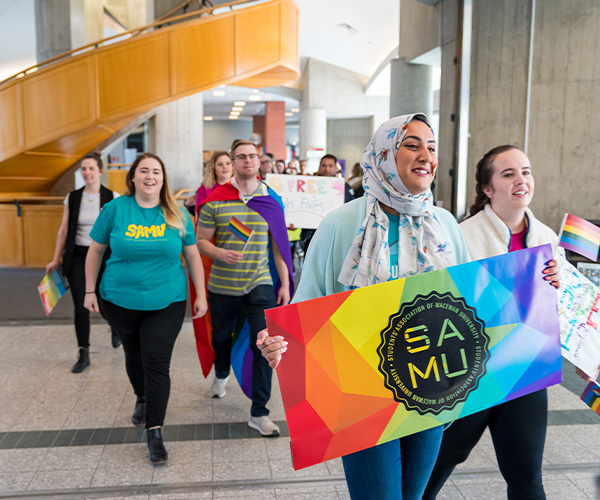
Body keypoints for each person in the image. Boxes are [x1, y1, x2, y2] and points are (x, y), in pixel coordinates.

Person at [257, 114, 471, 499]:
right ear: (385, 153)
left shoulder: (444, 225)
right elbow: (308, 304)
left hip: (430, 386)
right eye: (412, 144)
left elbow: (467, 301)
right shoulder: (342, 223)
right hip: (359, 393)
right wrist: (279, 339)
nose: (426, 155)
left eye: (432, 147)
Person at [423, 145, 562, 500]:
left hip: (523, 369)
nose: (521, 180)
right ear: (487, 188)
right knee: (441, 460)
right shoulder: (460, 236)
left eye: (526, 171)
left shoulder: (547, 238)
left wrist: (563, 288)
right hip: (467, 373)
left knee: (526, 475)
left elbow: (558, 313)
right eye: (509, 173)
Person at [84, 152, 207, 463]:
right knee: (133, 355)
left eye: (156, 171)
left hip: (166, 301)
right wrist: (88, 290)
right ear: (133, 178)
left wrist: (201, 295)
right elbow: (95, 251)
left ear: (163, 178)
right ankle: (141, 396)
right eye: (144, 171)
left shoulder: (178, 213)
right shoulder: (114, 209)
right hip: (119, 300)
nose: (150, 176)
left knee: (155, 361)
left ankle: (155, 430)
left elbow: (192, 256)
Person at [196, 139, 293, 437]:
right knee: (221, 336)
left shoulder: (270, 200)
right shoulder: (215, 200)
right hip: (223, 285)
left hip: (260, 283)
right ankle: (221, 373)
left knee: (264, 344)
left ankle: (259, 413)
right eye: (241, 157)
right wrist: (219, 253)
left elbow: (278, 244)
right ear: (233, 163)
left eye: (252, 156)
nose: (248, 161)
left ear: (259, 160)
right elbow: (201, 241)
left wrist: (286, 282)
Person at [46, 153, 120, 373]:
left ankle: (115, 327)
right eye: (83, 169)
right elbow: (64, 230)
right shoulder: (73, 197)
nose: (87, 172)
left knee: (105, 301)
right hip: (77, 256)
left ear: (100, 171)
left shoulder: (111, 196)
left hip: (103, 256)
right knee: (81, 305)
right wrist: (55, 258)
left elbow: (117, 230)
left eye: (91, 168)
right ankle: (83, 352)